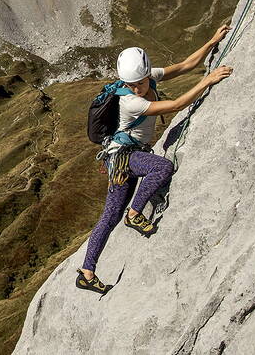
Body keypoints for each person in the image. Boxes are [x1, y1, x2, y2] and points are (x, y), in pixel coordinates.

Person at [75, 24, 234, 295]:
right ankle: (134, 214)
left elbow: (184, 66)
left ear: (147, 74)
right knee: (161, 168)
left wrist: (211, 42)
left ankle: (87, 272)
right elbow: (174, 106)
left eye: (139, 83)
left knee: (110, 215)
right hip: (125, 158)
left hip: (121, 158)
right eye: (131, 85)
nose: (136, 88)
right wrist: (207, 80)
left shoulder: (149, 78)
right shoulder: (130, 101)